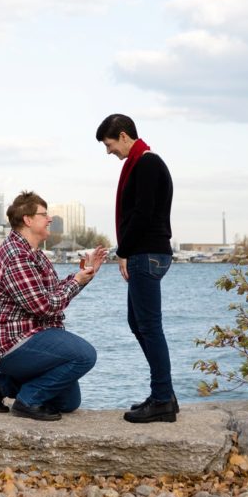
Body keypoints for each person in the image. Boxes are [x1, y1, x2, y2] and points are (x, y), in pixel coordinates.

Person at [0, 191, 107, 421]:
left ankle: (2, 385)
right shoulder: (16, 256)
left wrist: (84, 275)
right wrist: (77, 281)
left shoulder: (35, 254)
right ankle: (27, 401)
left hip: (27, 334)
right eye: (44, 214)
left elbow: (53, 292)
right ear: (27, 220)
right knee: (85, 355)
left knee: (68, 401)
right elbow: (44, 306)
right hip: (8, 341)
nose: (50, 219)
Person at [95, 113, 177, 424]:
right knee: (138, 322)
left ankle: (161, 399)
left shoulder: (146, 164)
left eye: (109, 143)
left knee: (149, 327)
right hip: (147, 253)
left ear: (125, 136)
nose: (109, 151)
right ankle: (164, 393)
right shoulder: (142, 163)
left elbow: (142, 215)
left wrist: (124, 252)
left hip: (147, 254)